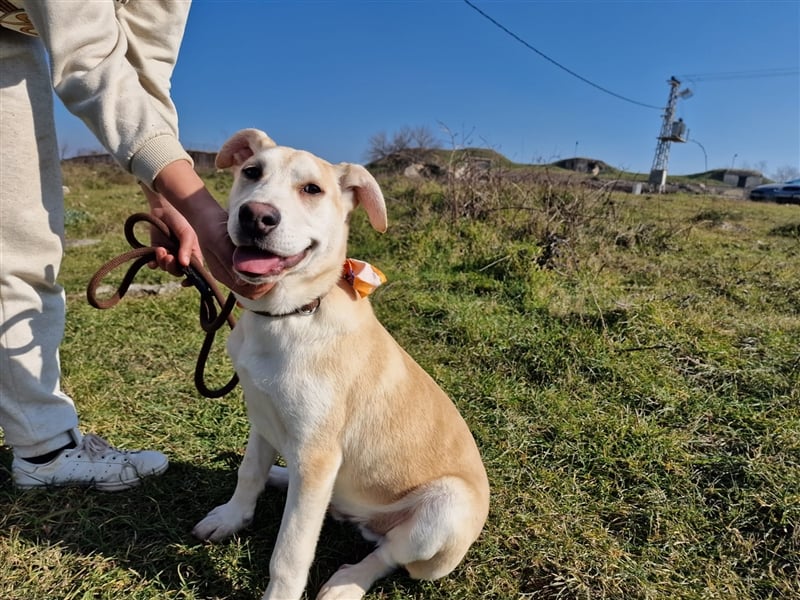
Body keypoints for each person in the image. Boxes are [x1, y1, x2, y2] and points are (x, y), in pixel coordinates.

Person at [0, 1, 269, 491]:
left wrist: (167, 201)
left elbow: (146, 70)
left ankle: (43, 452)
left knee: (21, 240)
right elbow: (88, 58)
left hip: (9, 38)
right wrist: (205, 212)